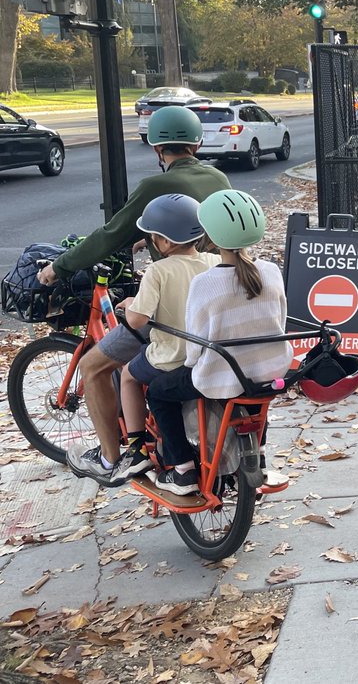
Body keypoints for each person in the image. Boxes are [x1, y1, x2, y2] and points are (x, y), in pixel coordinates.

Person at [38, 106, 228, 479]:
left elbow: (109, 235)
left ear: (158, 150)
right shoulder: (218, 177)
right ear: (198, 143)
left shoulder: (157, 187)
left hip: (174, 310)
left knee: (94, 366)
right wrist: (150, 238)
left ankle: (112, 458)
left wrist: (57, 267)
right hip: (216, 299)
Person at [145, 190, 291, 496]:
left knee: (159, 393)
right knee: (255, 403)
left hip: (220, 376)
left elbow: (195, 348)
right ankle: (258, 452)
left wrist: (187, 367)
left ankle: (182, 470)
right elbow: (280, 321)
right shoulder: (271, 271)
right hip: (268, 372)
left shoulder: (206, 282)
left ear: (210, 236)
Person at [65, 194, 217, 485]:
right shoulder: (212, 261)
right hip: (207, 352)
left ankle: (134, 449)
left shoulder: (159, 270)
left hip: (172, 355)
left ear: (165, 242)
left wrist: (133, 304)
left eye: (153, 238)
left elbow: (137, 321)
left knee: (129, 376)